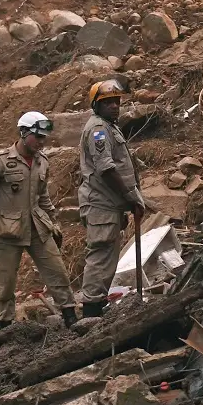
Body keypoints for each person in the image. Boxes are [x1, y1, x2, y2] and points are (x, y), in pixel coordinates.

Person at [0, 111, 77, 329]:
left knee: (57, 272)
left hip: (37, 227)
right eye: (37, 137)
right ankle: (6, 326)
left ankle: (71, 318)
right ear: (23, 133)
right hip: (6, 231)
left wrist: (53, 220)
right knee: (6, 284)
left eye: (44, 138)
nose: (41, 142)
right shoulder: (0, 161)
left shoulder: (42, 162)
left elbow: (43, 196)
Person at [78, 80, 145, 318]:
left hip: (109, 205)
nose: (115, 106)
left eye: (116, 101)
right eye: (108, 102)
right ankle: (90, 312)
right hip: (101, 205)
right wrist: (130, 199)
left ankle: (96, 306)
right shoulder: (98, 129)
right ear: (96, 105)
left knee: (107, 259)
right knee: (100, 257)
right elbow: (106, 169)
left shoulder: (109, 126)